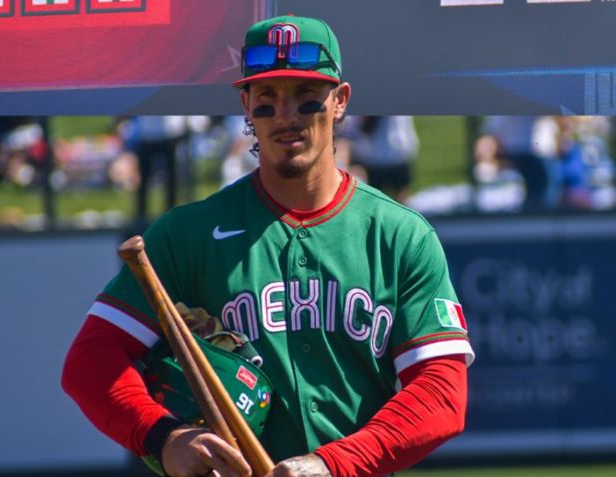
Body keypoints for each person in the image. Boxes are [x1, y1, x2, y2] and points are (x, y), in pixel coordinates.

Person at [62, 14, 474, 477]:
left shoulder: (399, 234)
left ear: (340, 102)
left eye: (305, 97)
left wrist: (333, 464)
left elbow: (442, 390)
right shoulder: (188, 234)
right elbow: (90, 362)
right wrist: (164, 436)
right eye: (268, 97)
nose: (286, 116)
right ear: (245, 103)